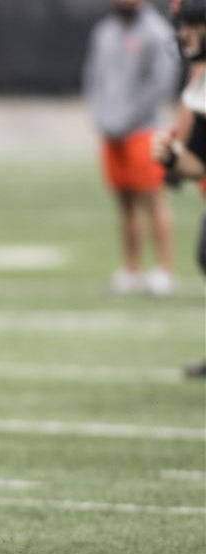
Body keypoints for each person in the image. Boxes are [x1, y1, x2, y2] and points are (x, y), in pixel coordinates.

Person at [84, 0, 181, 296]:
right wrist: (101, 115)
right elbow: (94, 78)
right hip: (112, 130)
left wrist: (128, 115)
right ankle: (131, 268)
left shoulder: (157, 31)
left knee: (154, 199)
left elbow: (162, 84)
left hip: (144, 129)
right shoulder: (104, 32)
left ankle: (164, 269)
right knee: (124, 201)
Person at [152, 0, 206, 377]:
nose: (181, 33)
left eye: (190, 24)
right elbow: (198, 164)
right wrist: (172, 159)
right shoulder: (200, 82)